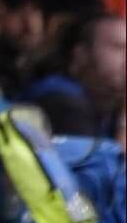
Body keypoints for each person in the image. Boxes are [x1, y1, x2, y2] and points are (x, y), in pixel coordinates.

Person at [19, 12, 125, 140]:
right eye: (119, 48)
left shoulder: (106, 104)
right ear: (81, 55)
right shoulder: (61, 100)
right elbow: (99, 159)